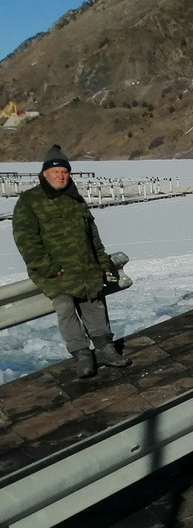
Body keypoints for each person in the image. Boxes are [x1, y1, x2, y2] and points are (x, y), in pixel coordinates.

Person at [12, 145, 131, 377]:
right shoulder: (30, 200)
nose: (61, 176)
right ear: (44, 174)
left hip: (86, 268)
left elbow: (92, 235)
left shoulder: (75, 199)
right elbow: (26, 240)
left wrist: (103, 262)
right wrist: (49, 268)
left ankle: (106, 350)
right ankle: (83, 356)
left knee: (94, 306)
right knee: (66, 310)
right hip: (57, 272)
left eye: (65, 171)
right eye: (55, 172)